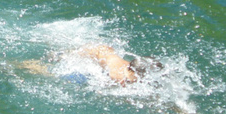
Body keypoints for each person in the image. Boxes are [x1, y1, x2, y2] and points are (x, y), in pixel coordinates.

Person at [16, 44, 147, 86]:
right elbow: (102, 50)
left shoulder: (136, 76)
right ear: (131, 71)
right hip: (95, 59)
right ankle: (16, 65)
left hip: (102, 55)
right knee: (53, 75)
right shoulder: (119, 75)